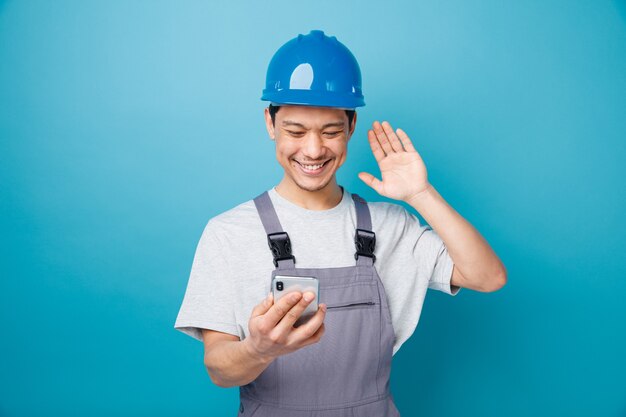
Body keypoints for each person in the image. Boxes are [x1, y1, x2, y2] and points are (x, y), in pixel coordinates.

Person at [174, 29, 507, 417]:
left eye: (330, 132)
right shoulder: (229, 233)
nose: (313, 150)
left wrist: (421, 195)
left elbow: (489, 278)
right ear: (270, 122)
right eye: (295, 131)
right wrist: (258, 348)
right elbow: (218, 368)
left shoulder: (391, 226)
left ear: (351, 126)